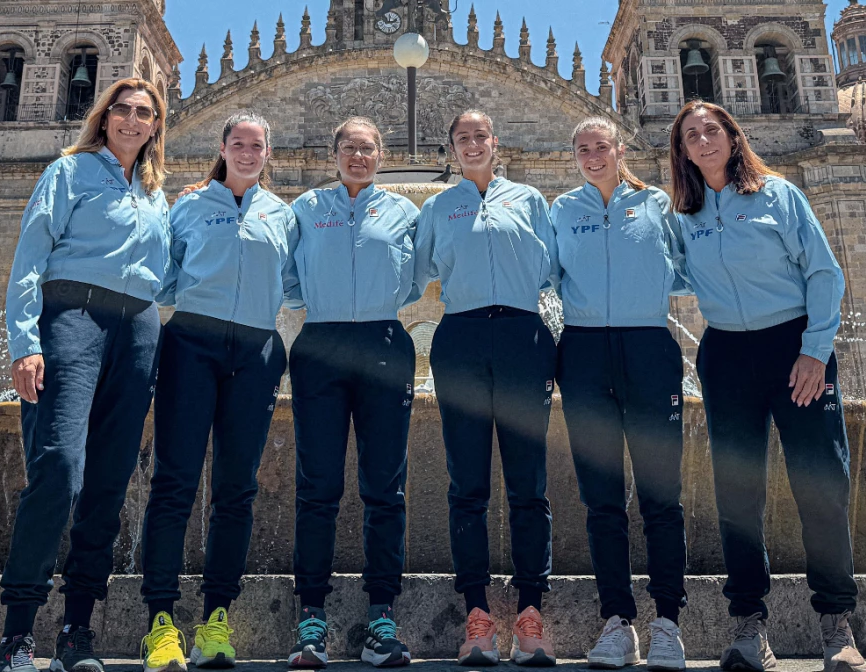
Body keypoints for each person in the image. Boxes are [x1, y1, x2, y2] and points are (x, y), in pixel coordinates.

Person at [669, 100, 866, 672]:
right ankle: (749, 627)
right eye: (691, 135)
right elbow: (668, 272)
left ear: (733, 137)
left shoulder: (777, 194)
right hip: (726, 352)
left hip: (795, 349)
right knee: (737, 495)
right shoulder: (686, 215)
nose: (703, 140)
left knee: (822, 484)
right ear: (681, 150)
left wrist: (815, 350)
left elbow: (824, 272)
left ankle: (836, 626)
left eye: (712, 130)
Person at [0, 77, 170, 672]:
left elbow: (167, 274)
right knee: (60, 468)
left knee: (108, 484)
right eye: (122, 109)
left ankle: (77, 631)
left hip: (140, 328)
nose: (132, 120)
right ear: (104, 116)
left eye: (144, 113)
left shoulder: (155, 194)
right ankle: (17, 633)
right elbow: (30, 257)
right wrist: (25, 341)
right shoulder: (69, 172)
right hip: (72, 315)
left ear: (155, 126)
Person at [139, 111, 297, 671]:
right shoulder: (187, 204)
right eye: (239, 143)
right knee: (174, 481)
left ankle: (215, 621)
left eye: (258, 144)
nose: (248, 152)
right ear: (223, 148)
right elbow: (163, 274)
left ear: (268, 152)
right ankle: (160, 621)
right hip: (191, 343)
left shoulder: (284, 215)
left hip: (256, 352)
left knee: (237, 488)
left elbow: (297, 284)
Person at [413, 109, 559, 667]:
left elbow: (552, 269)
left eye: (481, 137)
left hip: (523, 335)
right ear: (450, 149)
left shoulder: (528, 200)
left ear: (496, 144)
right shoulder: (438, 206)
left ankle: (529, 612)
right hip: (462, 337)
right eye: (462, 139)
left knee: (530, 483)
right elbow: (414, 269)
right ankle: (476, 614)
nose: (472, 144)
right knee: (466, 483)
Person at [549, 116, 689, 671]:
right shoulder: (563, 210)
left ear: (620, 149)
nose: (592, 156)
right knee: (601, 498)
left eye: (601, 146)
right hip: (583, 350)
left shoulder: (657, 204)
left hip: (649, 346)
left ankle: (668, 624)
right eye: (582, 149)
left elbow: (684, 269)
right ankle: (617, 622)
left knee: (662, 495)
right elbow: (547, 273)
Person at [283, 117, 420, 669]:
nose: (357, 156)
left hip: (385, 341)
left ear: (380, 155)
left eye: (367, 149)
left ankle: (382, 617)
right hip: (320, 341)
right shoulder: (306, 209)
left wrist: (376, 302)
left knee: (386, 488)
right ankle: (311, 618)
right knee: (317, 486)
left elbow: (416, 277)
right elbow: (287, 275)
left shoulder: (404, 212)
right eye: (348, 148)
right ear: (333, 152)